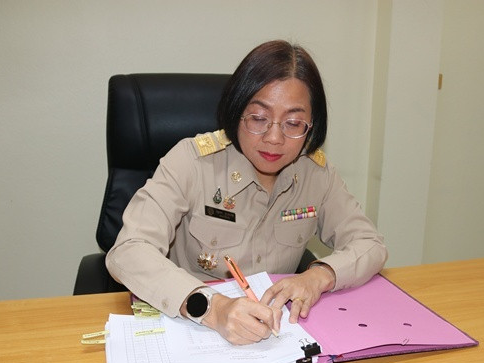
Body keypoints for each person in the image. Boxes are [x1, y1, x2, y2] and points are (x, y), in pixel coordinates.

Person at [106, 40, 388, 345]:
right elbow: (129, 251)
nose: (274, 138)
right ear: (237, 111)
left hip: (277, 333)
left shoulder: (316, 174)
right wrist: (213, 309)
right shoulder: (192, 162)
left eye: (294, 123)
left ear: (311, 125)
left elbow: (370, 244)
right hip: (195, 327)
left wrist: (319, 276)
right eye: (258, 118)